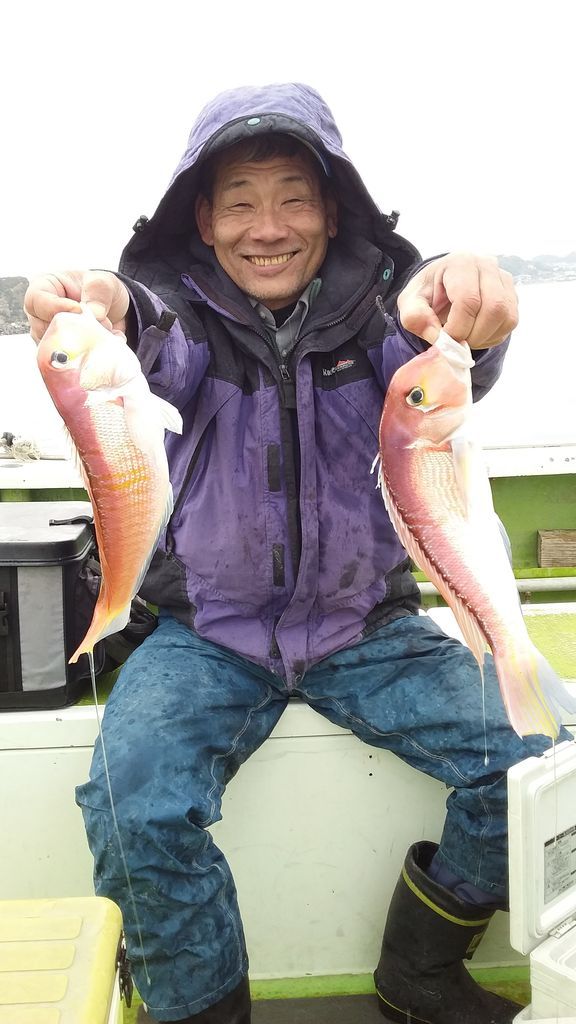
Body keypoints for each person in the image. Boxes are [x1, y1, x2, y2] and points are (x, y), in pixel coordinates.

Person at [24, 83, 562, 1024]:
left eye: (293, 198)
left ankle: (421, 967)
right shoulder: (181, 324)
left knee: (546, 759)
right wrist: (102, 306)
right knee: (128, 803)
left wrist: (461, 291)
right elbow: (145, 328)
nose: (266, 227)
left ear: (334, 209)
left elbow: (438, 340)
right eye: (238, 201)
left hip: (369, 628)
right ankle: (203, 1010)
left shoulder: (382, 320)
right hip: (205, 634)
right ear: (203, 219)